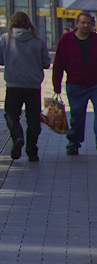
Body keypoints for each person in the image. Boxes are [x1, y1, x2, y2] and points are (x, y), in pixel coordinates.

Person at [0, 10, 51, 162]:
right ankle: (32, 151)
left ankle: (18, 136)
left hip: (13, 85)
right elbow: (46, 63)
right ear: (29, 24)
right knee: (33, 118)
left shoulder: (5, 39)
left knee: (11, 113)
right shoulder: (38, 41)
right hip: (33, 86)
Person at [52, 10, 97, 156]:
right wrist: (56, 85)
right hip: (75, 85)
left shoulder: (96, 39)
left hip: (95, 84)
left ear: (93, 25)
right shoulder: (66, 40)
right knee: (77, 116)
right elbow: (58, 63)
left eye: (88, 23)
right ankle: (73, 144)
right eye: (83, 22)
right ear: (76, 23)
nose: (85, 26)